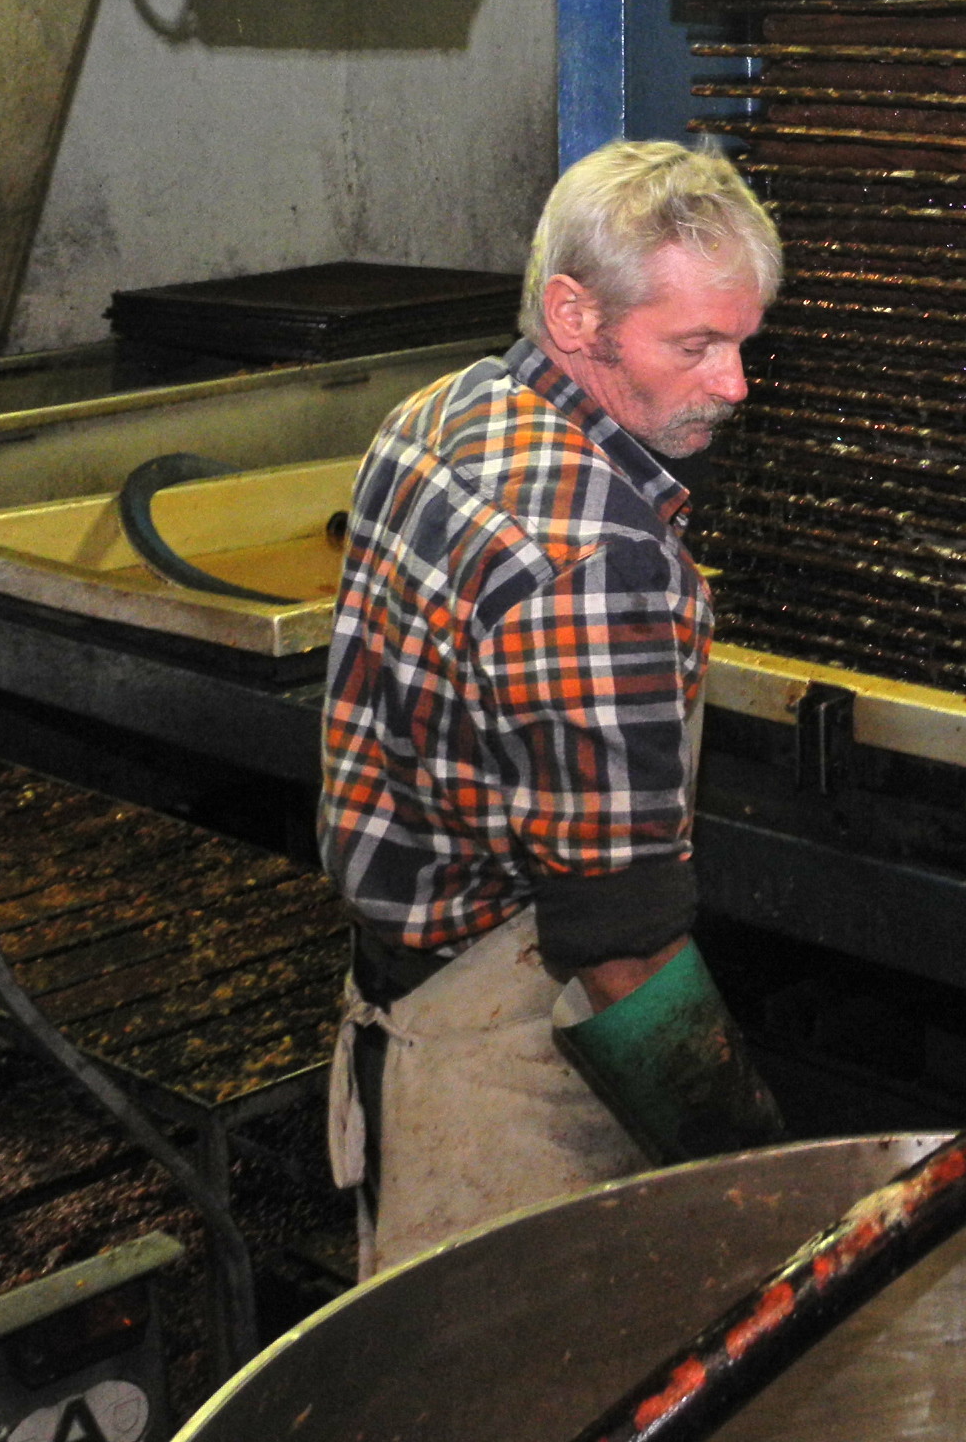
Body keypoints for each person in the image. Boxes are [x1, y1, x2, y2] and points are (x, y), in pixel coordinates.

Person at [320, 139, 787, 1276]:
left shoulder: (442, 411)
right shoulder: (596, 556)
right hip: (502, 1071)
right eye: (696, 346)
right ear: (577, 316)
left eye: (744, 342)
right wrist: (755, 1179)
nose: (734, 385)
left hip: (400, 995)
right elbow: (618, 944)